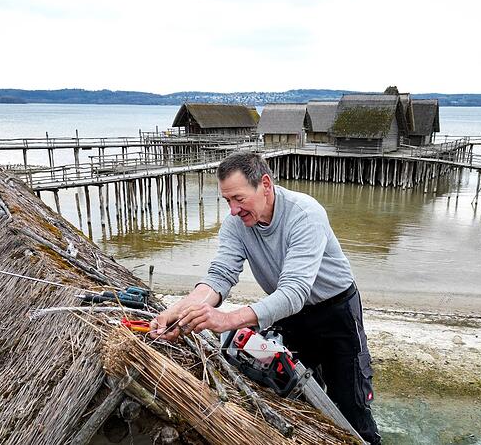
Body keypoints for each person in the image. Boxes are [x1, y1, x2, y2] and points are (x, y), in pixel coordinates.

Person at [150, 151, 381, 444]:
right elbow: (219, 276)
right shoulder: (235, 224)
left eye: (239, 199)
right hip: (289, 314)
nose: (233, 210)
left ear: (266, 185)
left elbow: (294, 292)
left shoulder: (305, 214)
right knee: (292, 394)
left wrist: (228, 320)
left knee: (352, 406)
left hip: (336, 312)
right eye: (227, 201)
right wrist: (180, 310)